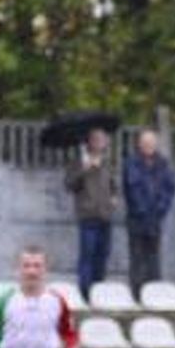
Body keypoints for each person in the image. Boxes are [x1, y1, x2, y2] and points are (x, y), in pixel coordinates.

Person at [66, 127, 118, 300]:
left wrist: (114, 197)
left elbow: (113, 184)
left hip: (105, 214)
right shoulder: (78, 161)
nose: (101, 143)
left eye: (103, 140)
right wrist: (86, 169)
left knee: (102, 254)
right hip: (87, 215)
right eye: (97, 139)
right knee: (87, 255)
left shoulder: (108, 162)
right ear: (89, 142)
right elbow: (70, 185)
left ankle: (98, 289)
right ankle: (85, 292)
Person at [122, 129, 175, 293]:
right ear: (139, 144)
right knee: (137, 260)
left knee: (154, 259)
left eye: (152, 142)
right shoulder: (131, 163)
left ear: (156, 144)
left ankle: (154, 294)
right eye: (145, 143)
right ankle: (137, 295)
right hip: (137, 220)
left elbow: (170, 187)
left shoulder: (163, 163)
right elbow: (133, 190)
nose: (148, 146)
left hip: (156, 220)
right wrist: (145, 212)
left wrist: (160, 209)